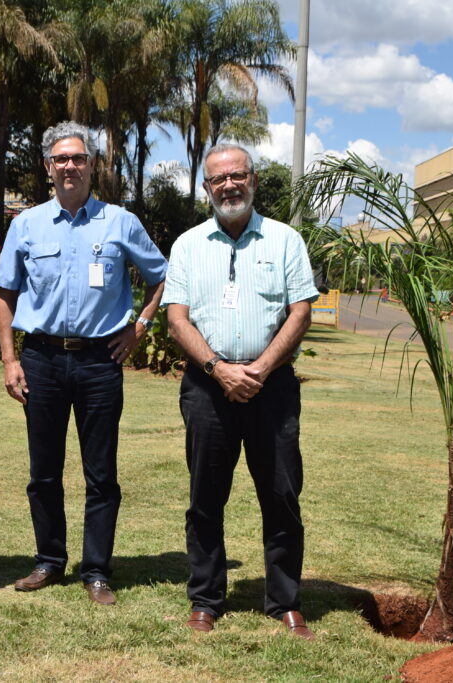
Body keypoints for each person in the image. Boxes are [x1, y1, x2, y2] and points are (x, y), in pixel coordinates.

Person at [0, 121, 166, 605]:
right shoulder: (25, 225)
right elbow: (5, 295)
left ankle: (96, 570)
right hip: (42, 359)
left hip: (98, 363)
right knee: (43, 471)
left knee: (101, 473)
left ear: (93, 165)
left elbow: (162, 278)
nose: (70, 166)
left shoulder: (120, 222)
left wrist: (141, 326)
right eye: (61, 159)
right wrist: (10, 361)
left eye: (79, 158)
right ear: (48, 167)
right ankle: (49, 561)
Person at [164, 143, 319, 638]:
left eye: (237, 175)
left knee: (281, 495)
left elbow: (301, 311)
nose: (228, 185)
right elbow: (176, 319)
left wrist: (258, 370)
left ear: (253, 179)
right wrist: (218, 369)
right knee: (205, 497)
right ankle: (205, 599)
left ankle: (284, 602)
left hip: (271, 390)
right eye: (218, 180)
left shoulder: (285, 240)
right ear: (206, 188)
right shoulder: (188, 245)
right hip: (207, 390)